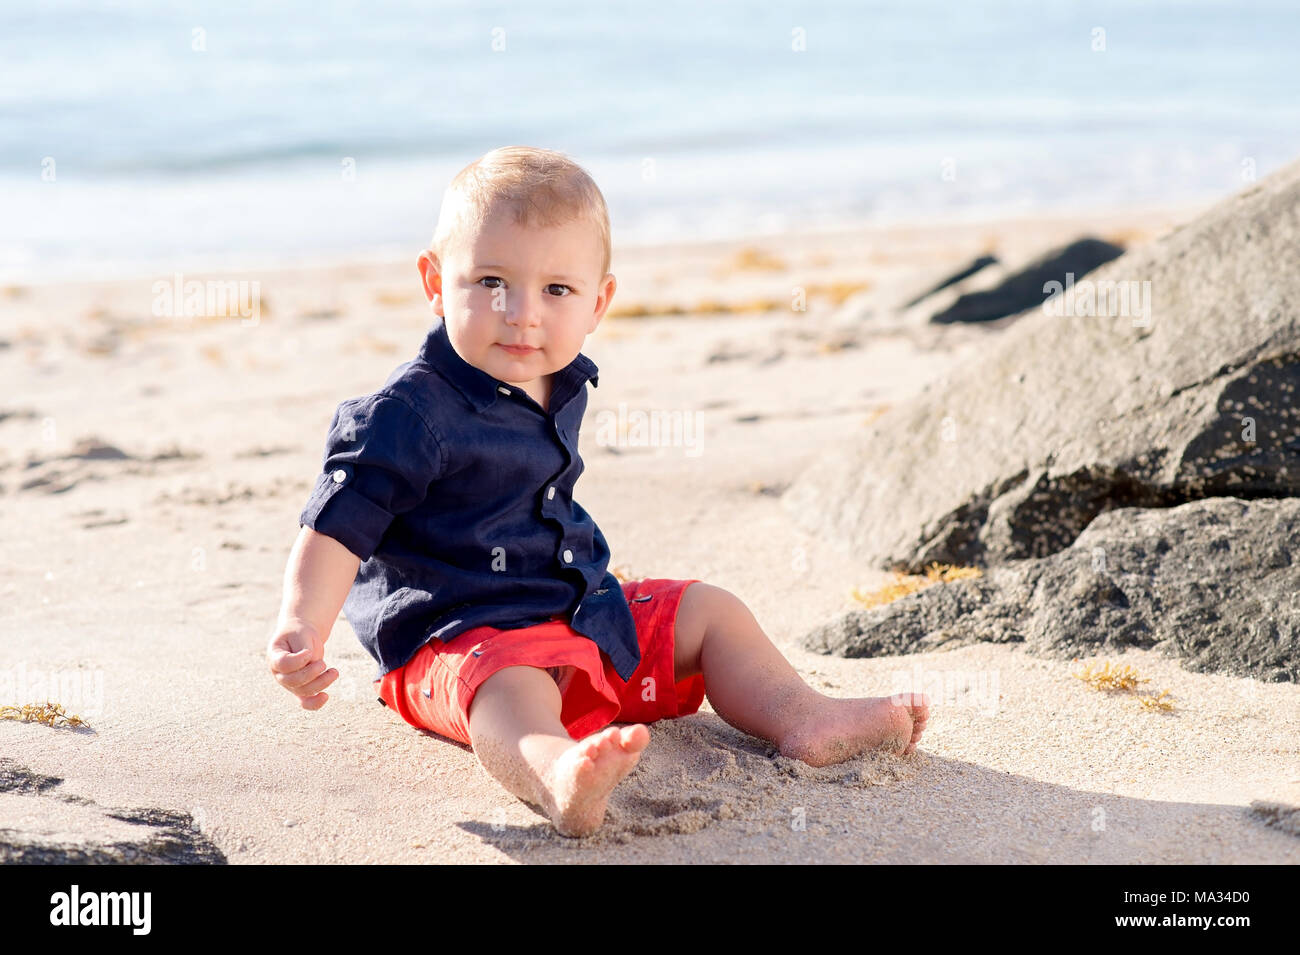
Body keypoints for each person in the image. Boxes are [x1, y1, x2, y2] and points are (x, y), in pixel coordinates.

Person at [267, 145, 928, 837]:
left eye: (557, 290)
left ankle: (802, 715)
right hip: (454, 640)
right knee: (510, 683)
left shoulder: (562, 378)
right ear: (436, 282)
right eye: (492, 281)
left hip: (579, 611)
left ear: (598, 302)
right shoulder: (406, 414)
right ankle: (558, 773)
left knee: (708, 610)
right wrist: (301, 624)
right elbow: (338, 525)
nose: (523, 313)